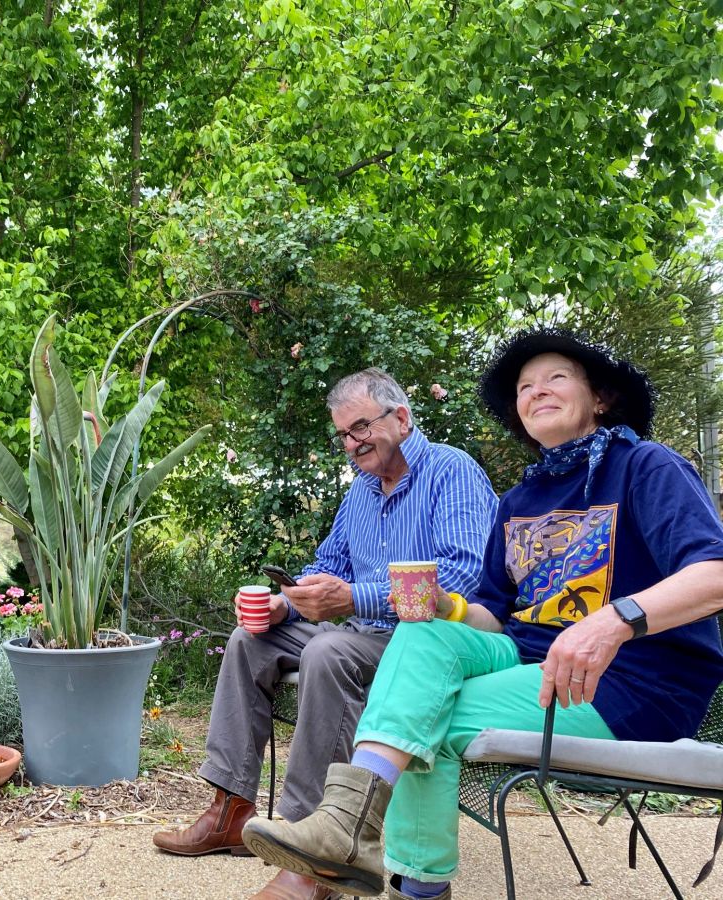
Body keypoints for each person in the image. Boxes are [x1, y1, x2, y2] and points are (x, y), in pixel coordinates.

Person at [241, 329, 723, 900]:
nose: (537, 391)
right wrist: (447, 606)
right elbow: (494, 617)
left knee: (421, 716)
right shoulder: (522, 501)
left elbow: (714, 575)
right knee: (424, 637)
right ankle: (352, 830)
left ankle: (398, 873)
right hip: (529, 662)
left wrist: (611, 620)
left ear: (601, 398)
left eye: (556, 378)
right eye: (525, 386)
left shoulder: (645, 467)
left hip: (633, 680)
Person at [152, 368, 498, 900]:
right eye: (343, 434)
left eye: (361, 427)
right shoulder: (360, 490)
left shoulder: (452, 472)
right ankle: (230, 808)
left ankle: (314, 847)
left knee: (329, 649)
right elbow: (328, 565)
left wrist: (351, 598)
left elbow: (460, 578)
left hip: (423, 643)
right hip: (360, 630)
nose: (351, 444)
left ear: (401, 418)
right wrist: (285, 603)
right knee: (251, 641)